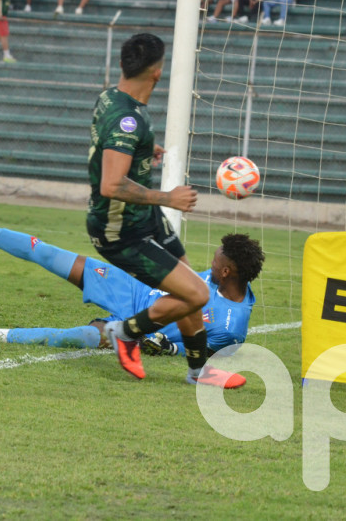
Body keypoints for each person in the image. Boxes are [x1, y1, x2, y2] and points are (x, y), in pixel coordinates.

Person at [0, 194, 259, 388]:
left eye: (216, 262)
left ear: (228, 271)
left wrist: (167, 349)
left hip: (139, 326)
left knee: (81, 338)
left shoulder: (233, 326)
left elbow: (199, 349)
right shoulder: (209, 282)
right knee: (45, 252)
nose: (211, 264)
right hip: (130, 288)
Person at [84, 33, 244, 387]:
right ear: (157, 72)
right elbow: (111, 184)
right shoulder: (129, 119)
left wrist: (142, 151)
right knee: (198, 293)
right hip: (119, 231)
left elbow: (113, 144)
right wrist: (167, 198)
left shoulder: (112, 96)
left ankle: (198, 371)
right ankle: (125, 333)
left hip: (142, 220)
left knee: (191, 287)